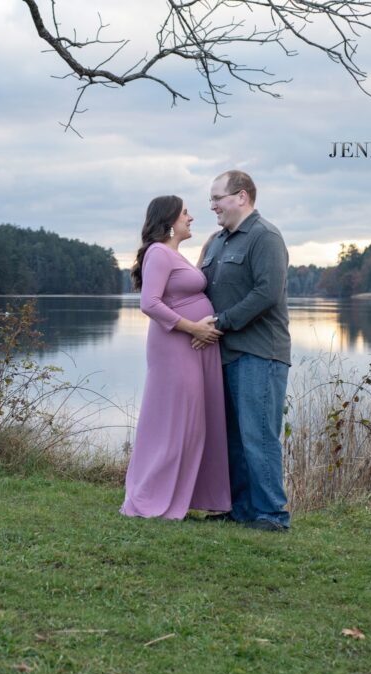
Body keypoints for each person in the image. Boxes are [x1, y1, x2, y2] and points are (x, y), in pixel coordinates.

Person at [120, 195, 232, 520]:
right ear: (170, 220)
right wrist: (192, 329)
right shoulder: (158, 252)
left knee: (195, 422)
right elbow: (150, 303)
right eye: (185, 213)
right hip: (175, 346)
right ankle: (152, 497)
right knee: (174, 422)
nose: (191, 218)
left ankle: (185, 496)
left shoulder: (174, 255)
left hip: (194, 346)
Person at [199, 170, 292, 532]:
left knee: (259, 435)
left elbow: (267, 294)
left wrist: (220, 322)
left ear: (242, 197)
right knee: (232, 438)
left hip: (260, 353)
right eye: (211, 200)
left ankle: (271, 515)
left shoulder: (265, 237)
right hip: (223, 353)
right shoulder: (219, 242)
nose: (212, 206)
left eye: (217, 198)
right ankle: (239, 509)